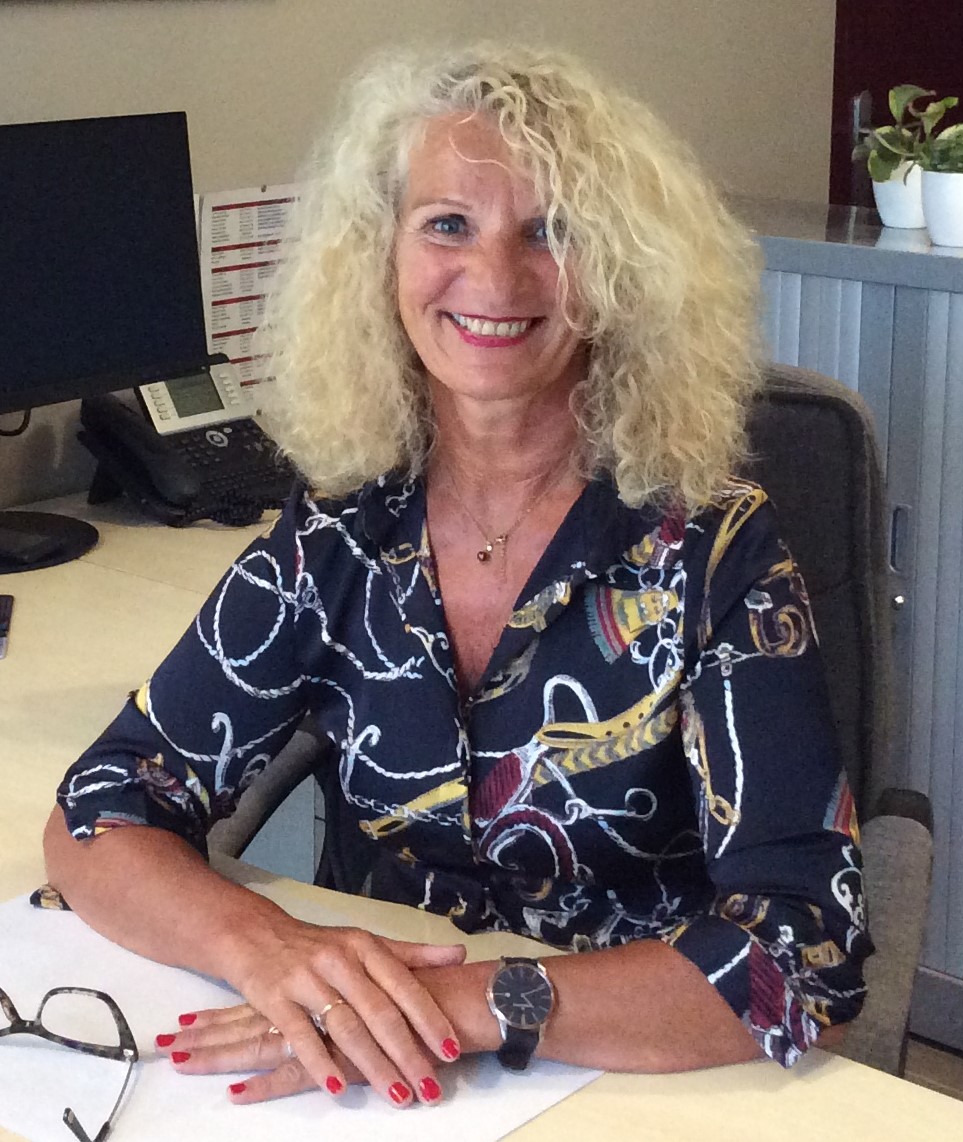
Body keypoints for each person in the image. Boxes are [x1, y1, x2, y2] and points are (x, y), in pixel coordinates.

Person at [44, 43, 872, 1110]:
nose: (495, 276)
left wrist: (476, 1003)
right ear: (378, 256)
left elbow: (804, 951)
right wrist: (267, 947)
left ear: (620, 272)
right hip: (360, 1076)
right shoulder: (340, 529)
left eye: (551, 232)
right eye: (446, 224)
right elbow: (102, 804)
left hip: (623, 1080)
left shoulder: (710, 547)